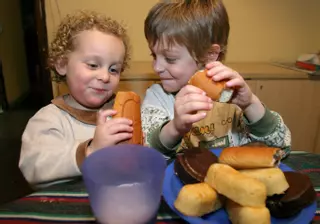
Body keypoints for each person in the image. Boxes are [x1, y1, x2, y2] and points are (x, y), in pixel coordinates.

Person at [141, 0, 291, 160]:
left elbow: (281, 147)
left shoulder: (235, 97)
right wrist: (175, 128)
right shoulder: (157, 98)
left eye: (170, 59)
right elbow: (147, 155)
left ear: (210, 54)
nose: (157, 67)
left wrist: (251, 104)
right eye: (154, 55)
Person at [19, 10, 133, 187]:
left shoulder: (120, 114)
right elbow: (33, 166)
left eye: (113, 69)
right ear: (62, 65)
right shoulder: (49, 119)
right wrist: (90, 150)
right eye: (93, 65)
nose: (105, 76)